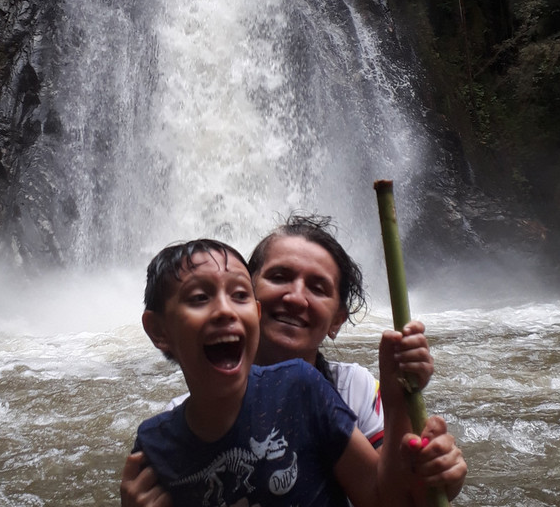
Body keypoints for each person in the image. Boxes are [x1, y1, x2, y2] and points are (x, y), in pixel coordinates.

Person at [122, 216, 467, 506]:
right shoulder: (164, 436)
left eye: (318, 288)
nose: (295, 297)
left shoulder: (339, 389)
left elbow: (388, 498)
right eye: (279, 277)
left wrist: (426, 474)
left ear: (337, 320)